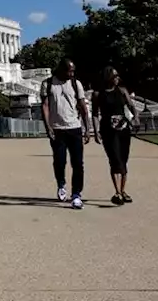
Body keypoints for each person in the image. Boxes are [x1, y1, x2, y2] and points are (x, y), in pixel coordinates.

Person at [40, 59, 92, 209]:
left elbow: (83, 106)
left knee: (78, 163)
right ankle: (61, 184)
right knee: (59, 161)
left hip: (74, 127)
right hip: (57, 129)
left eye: (73, 71)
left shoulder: (76, 83)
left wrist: (87, 128)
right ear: (61, 69)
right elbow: (45, 106)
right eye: (69, 71)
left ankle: (76, 194)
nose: (71, 73)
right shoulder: (47, 84)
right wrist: (48, 127)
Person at [92, 66, 139, 205]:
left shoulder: (122, 91)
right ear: (108, 78)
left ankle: (122, 191)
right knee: (115, 159)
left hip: (123, 130)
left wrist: (135, 117)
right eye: (115, 76)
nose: (118, 78)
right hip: (108, 130)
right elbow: (95, 114)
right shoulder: (97, 94)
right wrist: (95, 132)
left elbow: (132, 106)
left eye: (118, 76)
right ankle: (117, 192)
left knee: (123, 159)